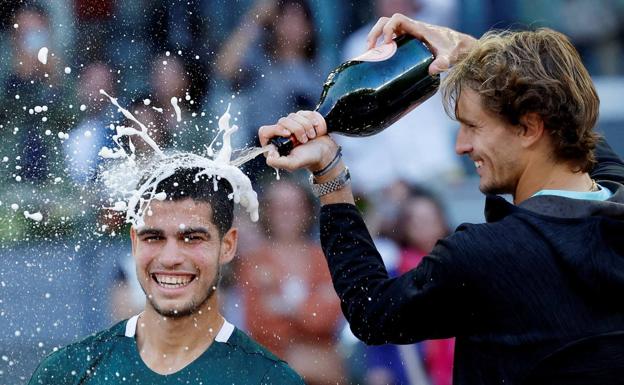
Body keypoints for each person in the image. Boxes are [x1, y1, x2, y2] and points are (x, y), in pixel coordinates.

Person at [259, 13, 624, 385]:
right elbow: (574, 124)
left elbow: (373, 311)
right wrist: (481, 55)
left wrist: (330, 174)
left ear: (529, 127)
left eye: (472, 126)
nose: (461, 146)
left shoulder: (486, 254)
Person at [28, 167, 305, 384]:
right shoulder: (68, 373)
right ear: (135, 243)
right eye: (153, 237)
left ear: (228, 246)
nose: (170, 258)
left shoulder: (268, 379)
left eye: (192, 238)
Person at [239, 178, 345, 385]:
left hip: (325, 376)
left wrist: (283, 306)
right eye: (279, 207)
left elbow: (328, 319)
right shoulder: (254, 261)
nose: (287, 214)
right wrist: (310, 309)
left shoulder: (324, 259)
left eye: (294, 207)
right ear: (267, 211)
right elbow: (261, 325)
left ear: (307, 210)